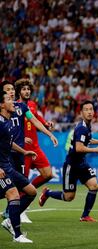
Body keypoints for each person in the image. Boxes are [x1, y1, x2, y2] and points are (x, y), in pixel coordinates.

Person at [38, 101, 98, 222]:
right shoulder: (81, 127)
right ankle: (48, 193)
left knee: (94, 186)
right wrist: (95, 150)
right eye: (86, 109)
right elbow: (79, 148)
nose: (89, 112)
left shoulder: (86, 126)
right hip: (71, 166)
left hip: (82, 164)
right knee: (69, 197)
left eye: (91, 109)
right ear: (82, 113)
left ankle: (85, 215)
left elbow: (88, 140)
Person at [1, 80, 58, 223]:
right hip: (6, 155)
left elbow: (35, 121)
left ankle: (12, 215)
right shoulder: (4, 111)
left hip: (20, 153)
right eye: (8, 90)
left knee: (22, 187)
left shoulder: (22, 107)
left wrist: (49, 134)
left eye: (13, 89)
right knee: (14, 187)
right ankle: (13, 215)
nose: (12, 91)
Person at [0, 90, 37, 243]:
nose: (13, 102)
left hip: (7, 166)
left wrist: (24, 152)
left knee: (31, 191)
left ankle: (10, 220)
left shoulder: (8, 122)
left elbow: (9, 143)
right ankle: (17, 235)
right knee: (13, 194)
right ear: (2, 105)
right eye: (9, 99)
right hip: (1, 168)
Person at [15, 79, 54, 189]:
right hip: (23, 149)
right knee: (23, 180)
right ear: (19, 92)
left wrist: (46, 124)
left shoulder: (32, 104)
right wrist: (22, 138)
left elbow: (36, 118)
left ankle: (28, 191)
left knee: (48, 174)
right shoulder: (14, 107)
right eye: (24, 89)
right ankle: (22, 199)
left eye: (28, 89)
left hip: (35, 147)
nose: (27, 91)